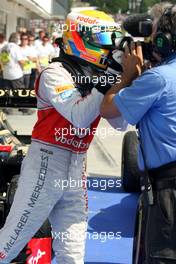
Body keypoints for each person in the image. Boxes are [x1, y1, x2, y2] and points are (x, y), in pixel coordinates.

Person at [0, 10, 125, 264]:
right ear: (79, 38)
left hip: (77, 165)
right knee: (10, 243)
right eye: (103, 40)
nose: (109, 47)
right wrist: (109, 79)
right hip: (46, 163)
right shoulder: (54, 72)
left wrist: (122, 83)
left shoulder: (98, 76)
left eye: (113, 39)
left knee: (73, 251)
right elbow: (79, 117)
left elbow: (120, 123)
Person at [100, 5, 176, 264]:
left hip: (168, 193)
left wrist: (127, 76)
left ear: (166, 39)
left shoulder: (158, 79)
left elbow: (108, 109)